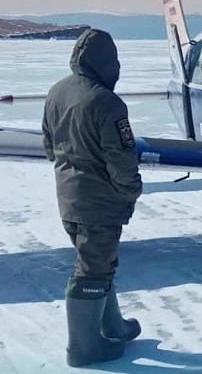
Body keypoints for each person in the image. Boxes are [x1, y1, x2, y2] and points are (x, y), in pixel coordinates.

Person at [41, 28, 143, 367]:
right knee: (92, 269)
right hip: (99, 203)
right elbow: (122, 158)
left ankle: (111, 325)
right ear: (107, 62)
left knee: (99, 261)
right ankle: (83, 348)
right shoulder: (106, 102)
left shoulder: (57, 92)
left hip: (69, 199)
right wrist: (129, 191)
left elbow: (49, 146)